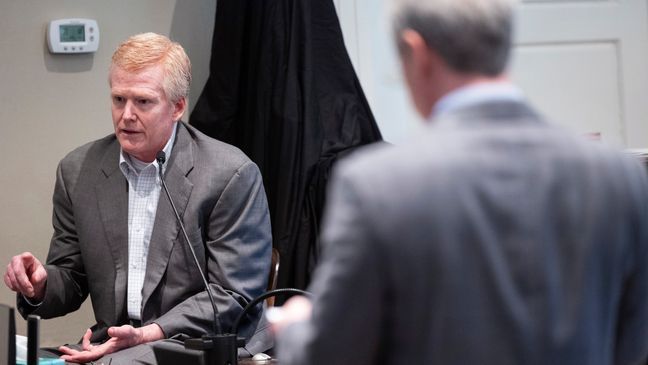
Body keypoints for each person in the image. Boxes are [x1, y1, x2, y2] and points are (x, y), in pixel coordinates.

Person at [272, 0, 648, 364]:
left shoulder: (377, 186)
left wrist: (294, 327)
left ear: (415, 51)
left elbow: (332, 354)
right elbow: (632, 343)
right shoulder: (619, 176)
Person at [3, 33, 272, 364]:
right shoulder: (78, 171)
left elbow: (233, 294)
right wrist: (40, 285)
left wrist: (149, 333)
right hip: (114, 346)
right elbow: (72, 278)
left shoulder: (230, 174)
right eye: (118, 99)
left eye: (143, 102)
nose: (126, 115)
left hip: (196, 344)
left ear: (177, 107)